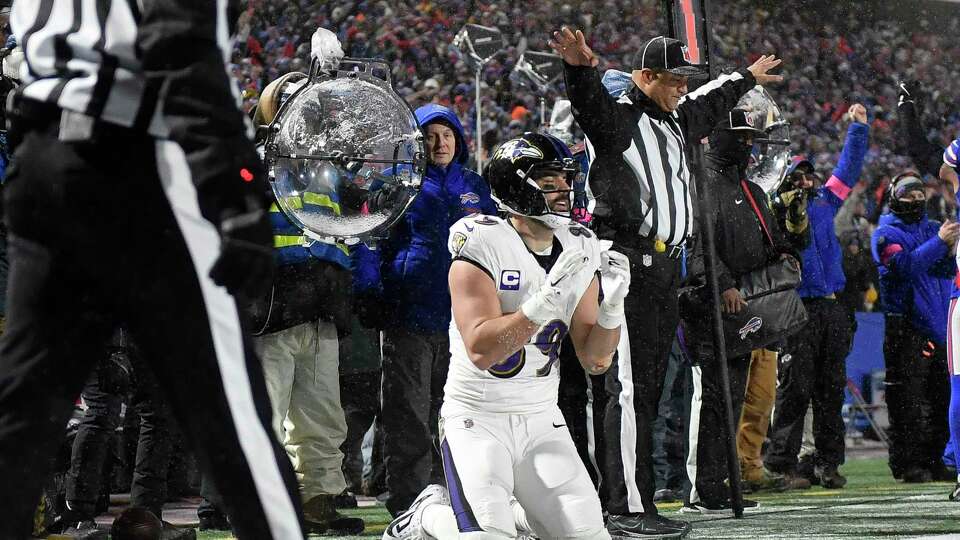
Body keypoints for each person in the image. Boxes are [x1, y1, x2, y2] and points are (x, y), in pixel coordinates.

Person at [0, 2, 305, 539]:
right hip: (140, 159)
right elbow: (179, 46)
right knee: (232, 417)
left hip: (42, 156)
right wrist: (236, 191)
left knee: (22, 416)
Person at [550, 26, 783, 536]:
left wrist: (746, 77)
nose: (681, 89)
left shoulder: (674, 118)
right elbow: (590, 107)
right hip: (628, 267)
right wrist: (579, 69)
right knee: (628, 391)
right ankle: (627, 507)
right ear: (647, 76)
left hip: (664, 274)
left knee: (646, 392)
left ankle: (633, 500)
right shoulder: (619, 120)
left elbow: (707, 102)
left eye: (684, 81)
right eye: (673, 80)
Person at [382, 132, 629, 540]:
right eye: (548, 184)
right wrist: (545, 300)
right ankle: (426, 517)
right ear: (516, 187)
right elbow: (482, 349)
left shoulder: (577, 246)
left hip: (541, 418)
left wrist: (612, 310)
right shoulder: (481, 240)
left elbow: (595, 360)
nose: (563, 193)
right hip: (477, 419)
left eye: (565, 182)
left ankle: (519, 515)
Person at [356, 103, 497, 516]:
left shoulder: (475, 186)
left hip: (464, 320)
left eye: (447, 135)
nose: (440, 143)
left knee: (457, 412)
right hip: (410, 313)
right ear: (416, 142)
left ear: (459, 140)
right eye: (431, 136)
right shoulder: (397, 183)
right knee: (409, 415)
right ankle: (410, 502)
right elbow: (368, 236)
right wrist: (370, 287)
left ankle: (453, 495)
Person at [680, 110, 797, 513]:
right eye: (741, 137)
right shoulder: (700, 184)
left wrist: (785, 250)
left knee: (732, 397)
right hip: (711, 306)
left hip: (747, 307)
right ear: (719, 138)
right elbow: (697, 244)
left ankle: (717, 482)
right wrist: (723, 282)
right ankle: (704, 488)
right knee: (715, 397)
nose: (748, 145)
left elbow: (771, 240)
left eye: (751, 138)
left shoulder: (750, 189)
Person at [764, 105, 871, 489]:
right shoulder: (775, 211)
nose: (805, 180)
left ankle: (827, 462)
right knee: (794, 388)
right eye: (797, 175)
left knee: (830, 388)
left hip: (832, 306)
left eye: (809, 174)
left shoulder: (826, 202)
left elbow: (850, 168)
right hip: (798, 308)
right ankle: (781, 464)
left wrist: (858, 129)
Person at [871, 171, 956, 483]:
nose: (917, 201)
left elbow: (944, 267)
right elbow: (905, 267)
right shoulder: (884, 234)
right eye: (909, 196)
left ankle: (934, 459)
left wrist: (942, 248)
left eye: (920, 196)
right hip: (905, 327)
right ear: (895, 198)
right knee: (907, 399)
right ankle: (907, 463)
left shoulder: (933, 229)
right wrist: (939, 244)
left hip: (937, 327)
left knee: (940, 397)